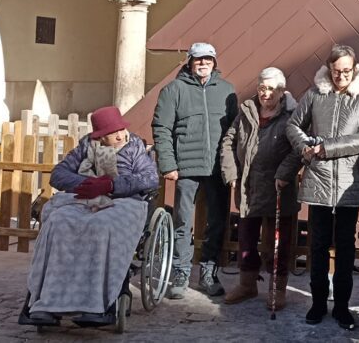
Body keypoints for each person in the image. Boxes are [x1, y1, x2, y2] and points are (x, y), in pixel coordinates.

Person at [23, 106, 158, 324]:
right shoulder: (87, 146)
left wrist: (111, 185)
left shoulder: (135, 148)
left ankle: (97, 304)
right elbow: (58, 175)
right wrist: (88, 184)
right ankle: (48, 301)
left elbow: (150, 179)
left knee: (102, 226)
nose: (120, 135)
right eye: (113, 133)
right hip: (86, 199)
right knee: (58, 222)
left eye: (122, 130)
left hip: (125, 201)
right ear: (100, 136)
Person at [287, 44, 359, 330]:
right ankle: (317, 303)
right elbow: (293, 126)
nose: (341, 76)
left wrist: (326, 148)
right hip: (319, 179)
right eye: (336, 71)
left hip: (350, 182)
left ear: (355, 69)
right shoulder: (315, 94)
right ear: (329, 69)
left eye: (347, 71)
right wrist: (306, 148)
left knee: (346, 248)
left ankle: (341, 307)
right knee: (318, 244)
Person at [152, 42, 238, 299]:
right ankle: (180, 271)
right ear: (189, 62)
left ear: (214, 62)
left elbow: (235, 131)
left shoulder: (226, 90)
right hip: (186, 168)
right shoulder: (174, 90)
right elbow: (162, 128)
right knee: (182, 221)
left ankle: (209, 272)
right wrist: (168, 164)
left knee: (217, 222)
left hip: (217, 168)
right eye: (198, 59)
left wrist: (232, 166)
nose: (203, 64)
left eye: (208, 59)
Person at [219, 67, 301, 310]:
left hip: (279, 187)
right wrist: (231, 172)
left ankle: (277, 289)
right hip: (249, 186)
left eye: (271, 89)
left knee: (278, 243)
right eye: (262, 88)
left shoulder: (292, 115)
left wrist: (285, 173)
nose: (266, 93)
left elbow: (299, 149)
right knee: (246, 239)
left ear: (282, 90)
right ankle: (247, 284)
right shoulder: (246, 111)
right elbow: (228, 141)